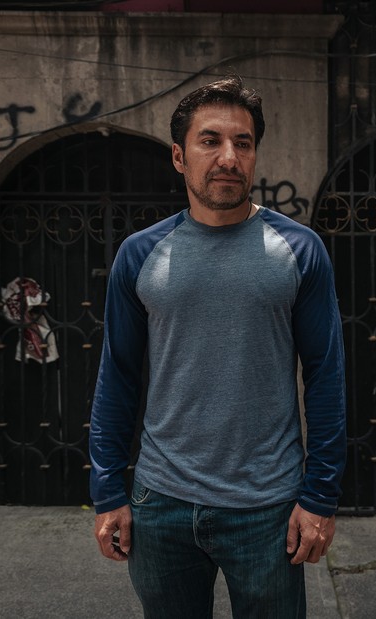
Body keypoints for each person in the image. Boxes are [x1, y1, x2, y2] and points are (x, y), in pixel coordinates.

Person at [89, 74, 346, 618]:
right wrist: (108, 490)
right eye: (211, 141)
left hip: (269, 507)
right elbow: (118, 374)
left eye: (243, 142)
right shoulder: (140, 255)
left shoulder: (300, 250)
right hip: (161, 504)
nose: (228, 156)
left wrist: (319, 497)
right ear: (180, 157)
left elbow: (326, 375)